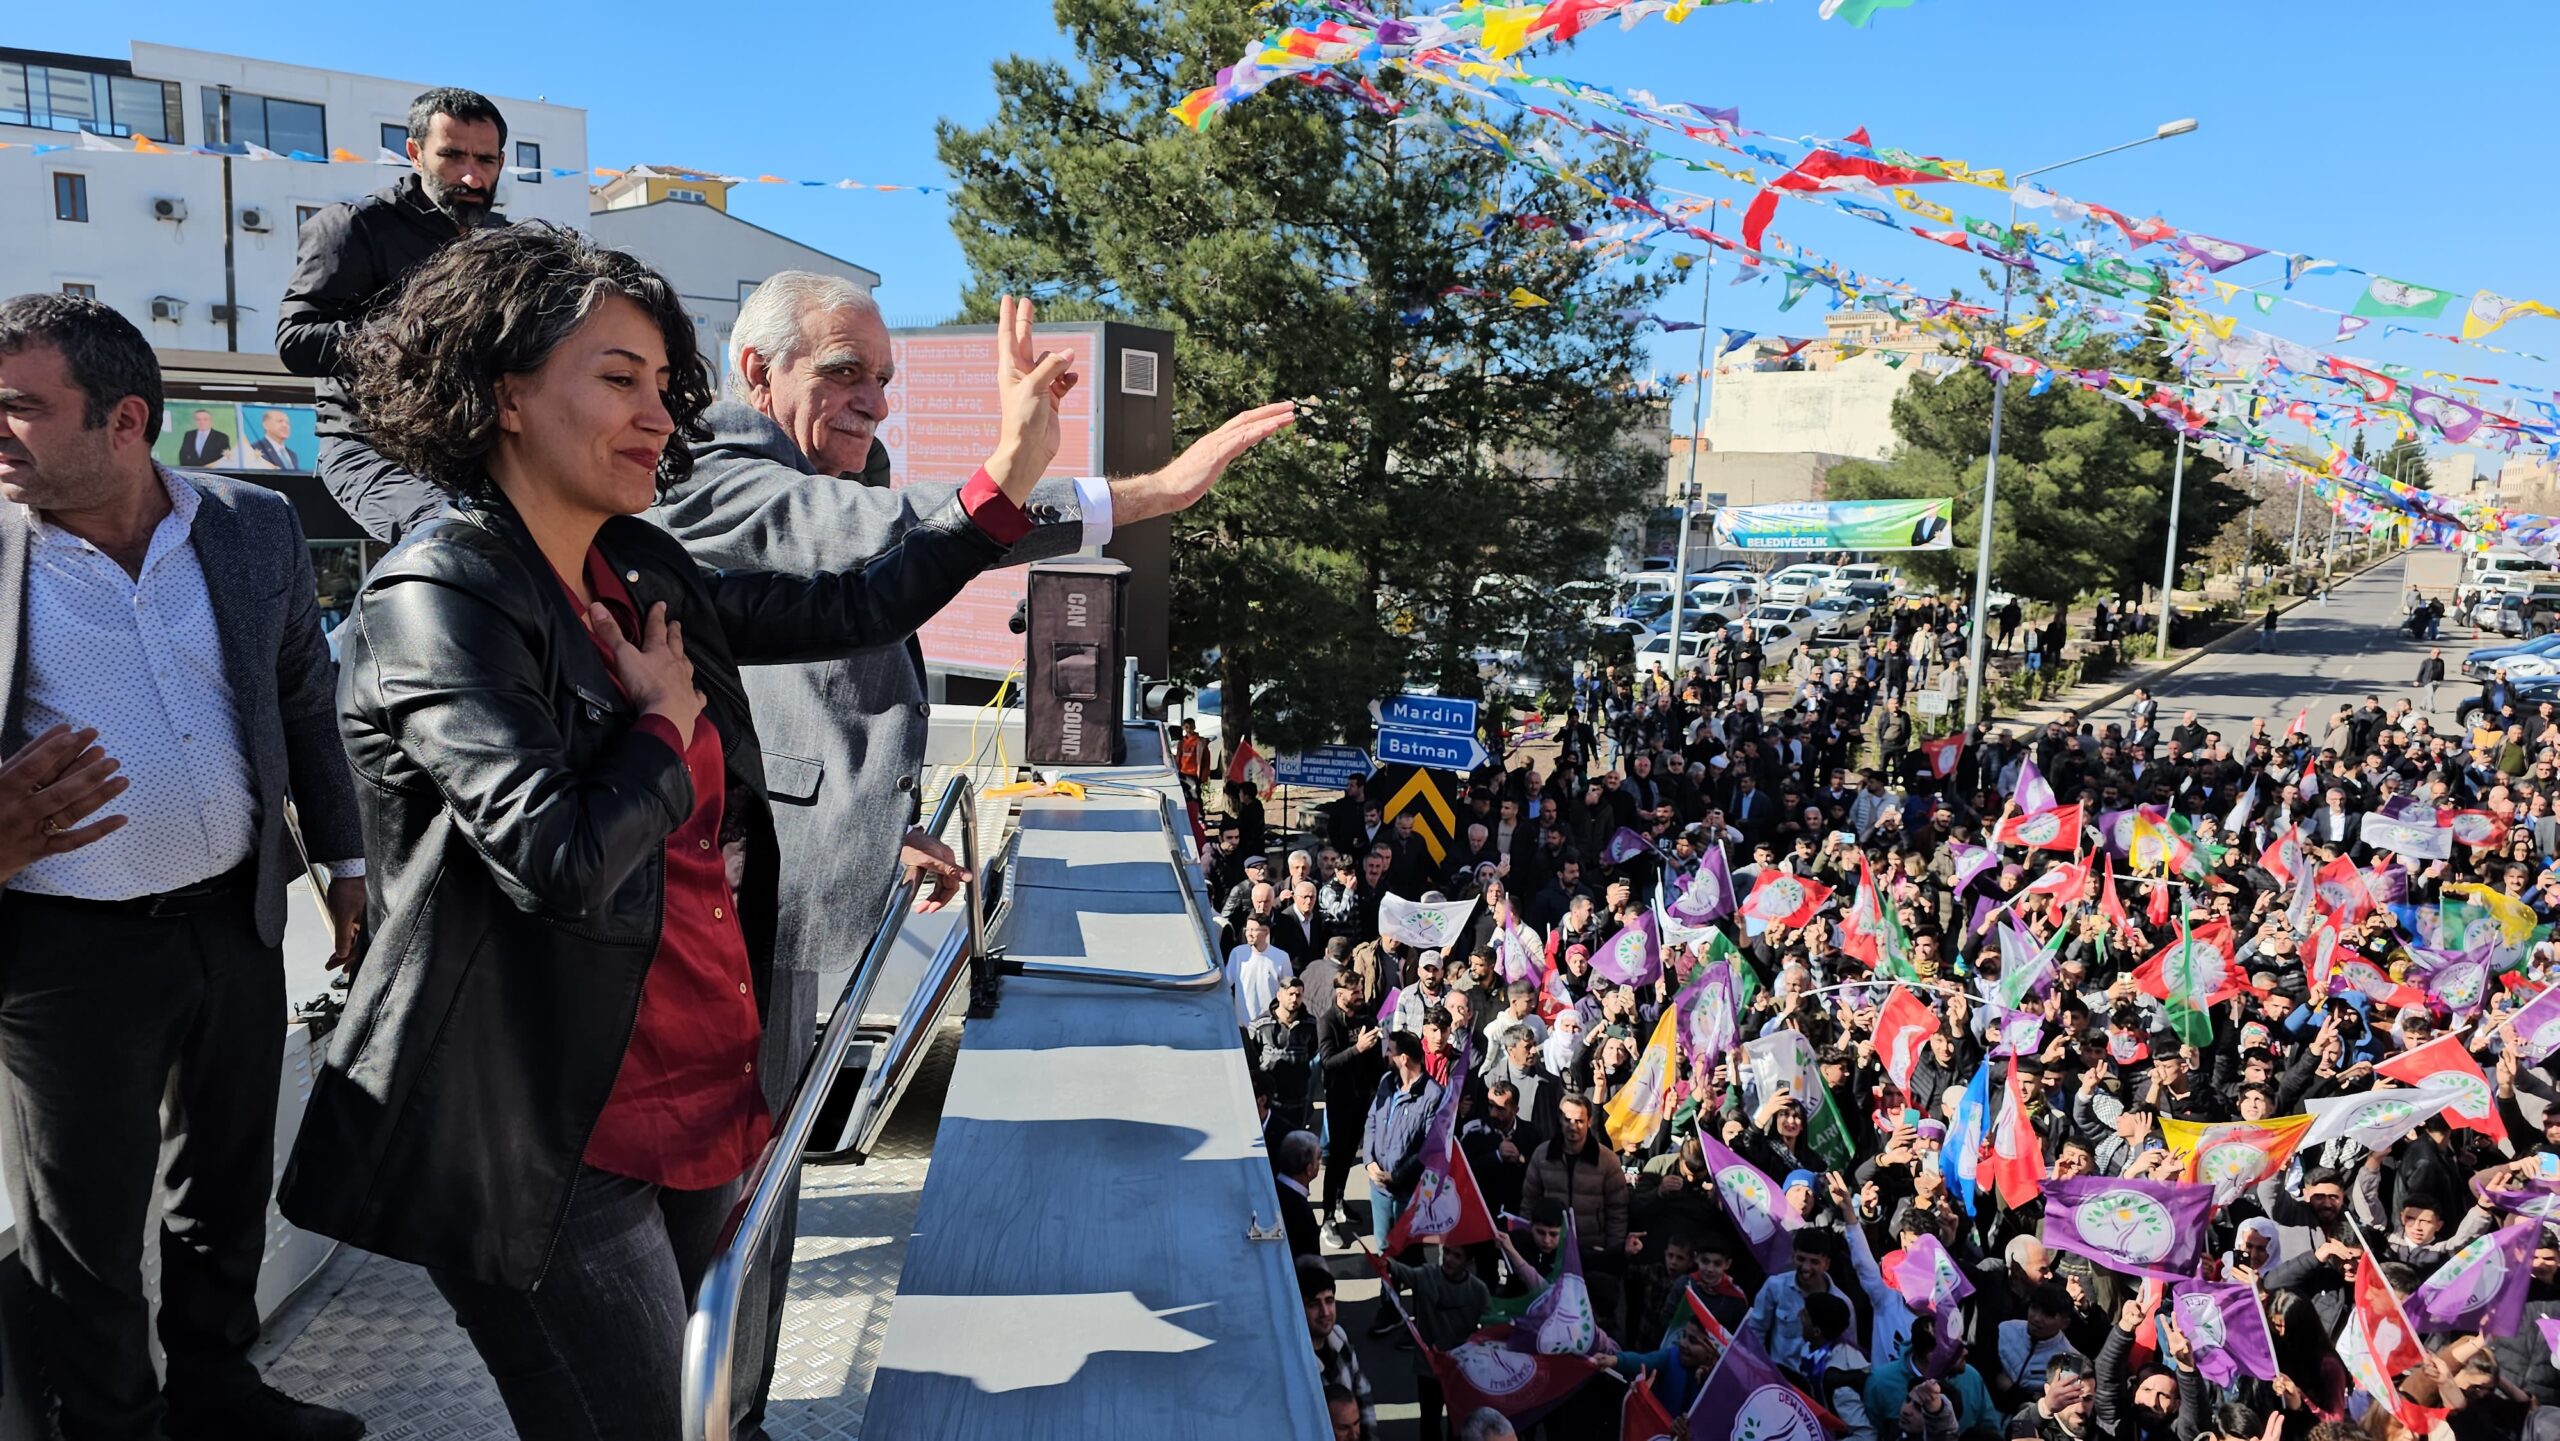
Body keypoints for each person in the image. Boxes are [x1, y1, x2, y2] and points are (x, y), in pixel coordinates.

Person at [276, 224, 1068, 1440]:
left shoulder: (634, 562)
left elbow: (853, 600)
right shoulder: (440, 596)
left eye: (662, 383)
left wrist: (1003, 483)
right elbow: (555, 860)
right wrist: (658, 729)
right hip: (546, 1124)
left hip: (694, 1079)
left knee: (708, 1405)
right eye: (616, 379)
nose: (658, 416)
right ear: (502, 395)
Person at [644, 274, 1289, 1426]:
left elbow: (876, 610)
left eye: (885, 380)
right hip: (755, 906)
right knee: (732, 1209)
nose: (874, 403)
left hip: (806, 876)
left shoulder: (828, 469)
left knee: (764, 1193)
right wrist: (1058, 474)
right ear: (756, 372)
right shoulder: (718, 468)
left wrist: (887, 822)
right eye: (845, 372)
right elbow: (895, 539)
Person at [0, 293, 367, 1441]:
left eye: (20, 409)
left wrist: (343, 861)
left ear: (125, 420)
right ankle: (116, 1427)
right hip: (64, 952)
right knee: (85, 1226)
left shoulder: (249, 524)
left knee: (222, 1189)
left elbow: (305, 698)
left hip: (235, 917)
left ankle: (219, 1391)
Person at [277, 86, 513, 543]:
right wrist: (418, 336)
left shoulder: (505, 244)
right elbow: (296, 340)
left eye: (484, 161)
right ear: (414, 153)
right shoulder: (355, 226)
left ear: (501, 162)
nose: (470, 177)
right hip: (370, 448)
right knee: (451, 535)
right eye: (452, 157)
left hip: (477, 454)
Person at [244, 406, 303, 471]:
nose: (285, 425)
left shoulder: (292, 455)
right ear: (266, 425)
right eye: (280, 421)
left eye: (287, 423)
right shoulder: (253, 450)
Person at [2419, 646, 2447, 712]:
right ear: (2431, 653)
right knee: (2430, 694)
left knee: (2429, 694)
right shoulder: (2426, 661)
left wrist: (2441, 679)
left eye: (2438, 653)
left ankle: (2422, 704)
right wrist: (2417, 680)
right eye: (2434, 653)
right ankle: (2431, 708)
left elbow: (2442, 671)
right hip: (2427, 680)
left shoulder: (2441, 661)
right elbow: (2421, 671)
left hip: (2437, 681)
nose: (2436, 654)